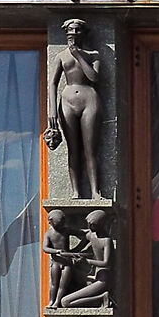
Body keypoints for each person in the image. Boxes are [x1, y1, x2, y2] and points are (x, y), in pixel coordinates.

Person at [45, 17, 105, 198]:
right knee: (73, 149)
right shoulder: (61, 56)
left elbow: (94, 77)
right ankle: (76, 191)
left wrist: (78, 54)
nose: (73, 33)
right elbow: (52, 84)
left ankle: (95, 191)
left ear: (84, 33)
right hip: (68, 101)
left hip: (89, 99)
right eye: (70, 30)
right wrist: (52, 111)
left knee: (90, 149)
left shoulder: (93, 55)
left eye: (77, 30)